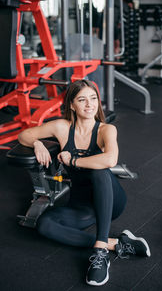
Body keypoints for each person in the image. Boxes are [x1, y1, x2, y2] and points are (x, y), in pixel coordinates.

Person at [18, 79, 151, 286]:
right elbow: (23, 134)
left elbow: (110, 160)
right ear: (72, 105)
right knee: (44, 225)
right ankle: (117, 244)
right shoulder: (62, 128)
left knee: (99, 172)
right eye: (82, 100)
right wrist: (37, 144)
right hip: (82, 205)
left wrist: (73, 160)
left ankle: (100, 254)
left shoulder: (106, 130)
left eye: (93, 98)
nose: (89, 104)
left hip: (111, 199)